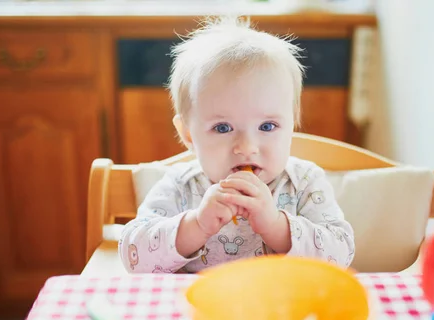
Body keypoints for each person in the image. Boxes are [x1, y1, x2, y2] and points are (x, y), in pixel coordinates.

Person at [119, 16, 355, 273]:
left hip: (283, 308)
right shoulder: (179, 186)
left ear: (292, 123)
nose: (246, 147)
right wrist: (196, 225)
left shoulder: (304, 182)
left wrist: (276, 226)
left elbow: (341, 255)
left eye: (267, 126)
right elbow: (134, 257)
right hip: (201, 309)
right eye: (223, 128)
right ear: (188, 134)